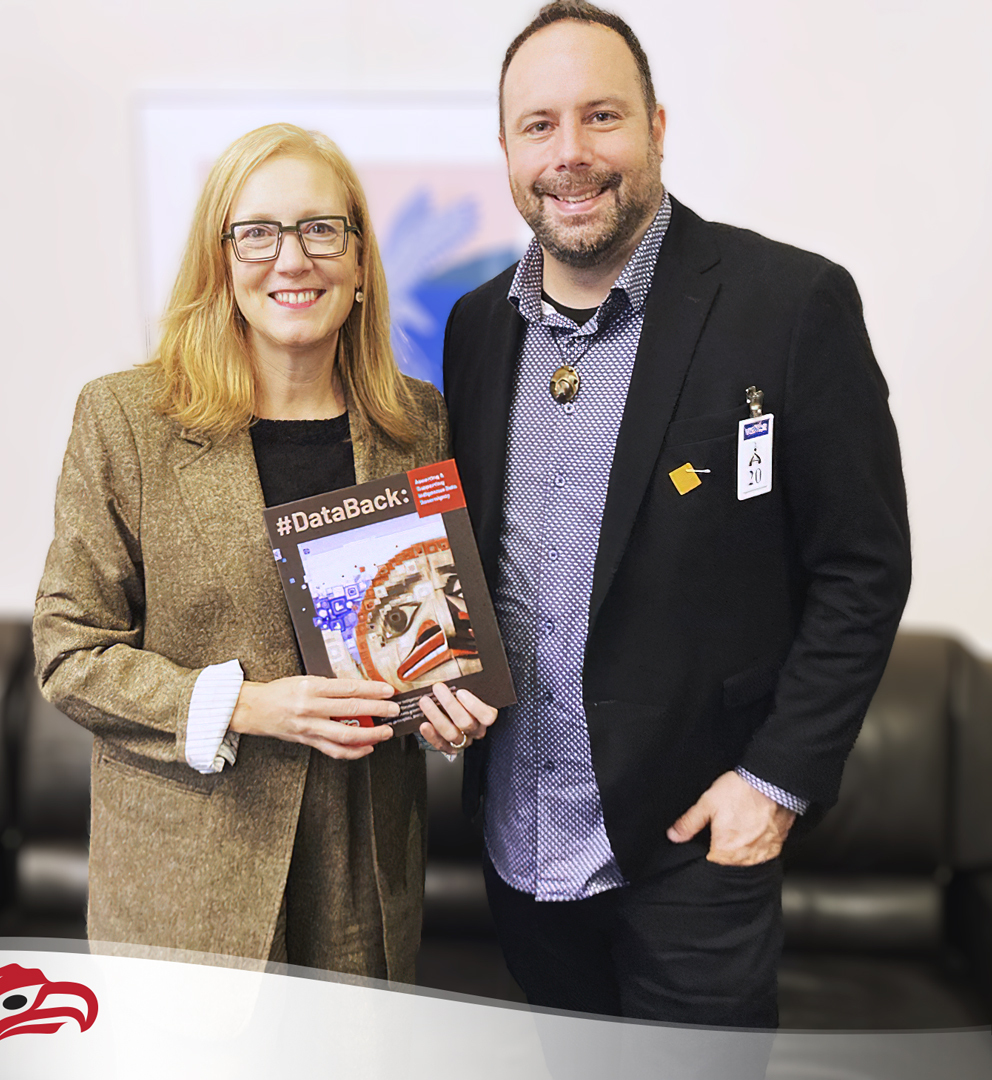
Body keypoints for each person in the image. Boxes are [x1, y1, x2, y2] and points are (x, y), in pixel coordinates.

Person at [443, 2, 910, 1027]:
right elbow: (471, 558)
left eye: (601, 117)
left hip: (692, 848)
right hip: (518, 849)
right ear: (507, 150)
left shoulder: (789, 305)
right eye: (539, 125)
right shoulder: (477, 328)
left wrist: (776, 783)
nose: (570, 154)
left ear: (656, 126)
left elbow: (863, 567)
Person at [34, 123, 495, 979]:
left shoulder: (418, 422)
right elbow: (69, 653)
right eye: (259, 232)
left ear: (359, 265)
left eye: (322, 229)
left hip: (363, 870)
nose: (293, 259)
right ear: (223, 261)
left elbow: (432, 630)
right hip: (188, 883)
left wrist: (450, 711)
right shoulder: (128, 419)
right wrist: (245, 706)